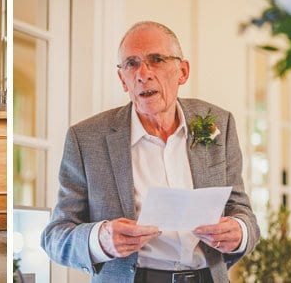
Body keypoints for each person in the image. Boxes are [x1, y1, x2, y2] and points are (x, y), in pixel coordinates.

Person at [41, 21, 260, 283]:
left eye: (156, 59)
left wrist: (240, 232)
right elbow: (55, 236)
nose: (143, 73)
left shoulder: (218, 124)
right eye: (131, 64)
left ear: (183, 71)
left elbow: (241, 210)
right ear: (122, 79)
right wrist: (100, 239)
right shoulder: (86, 138)